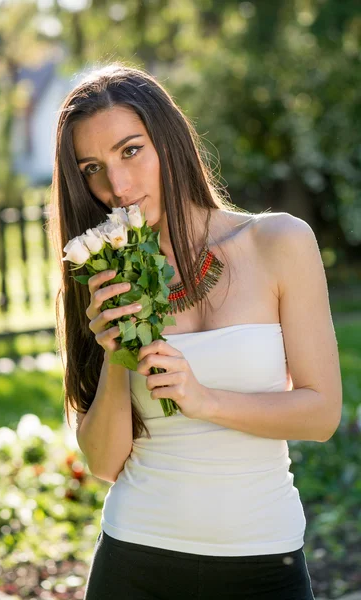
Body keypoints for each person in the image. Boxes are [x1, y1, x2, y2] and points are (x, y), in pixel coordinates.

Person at [49, 62, 342, 599]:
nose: (116, 186)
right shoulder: (101, 275)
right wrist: (116, 354)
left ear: (170, 140)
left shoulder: (278, 242)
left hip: (264, 562)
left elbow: (321, 415)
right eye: (93, 167)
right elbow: (102, 462)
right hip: (134, 559)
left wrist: (203, 399)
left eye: (131, 151)